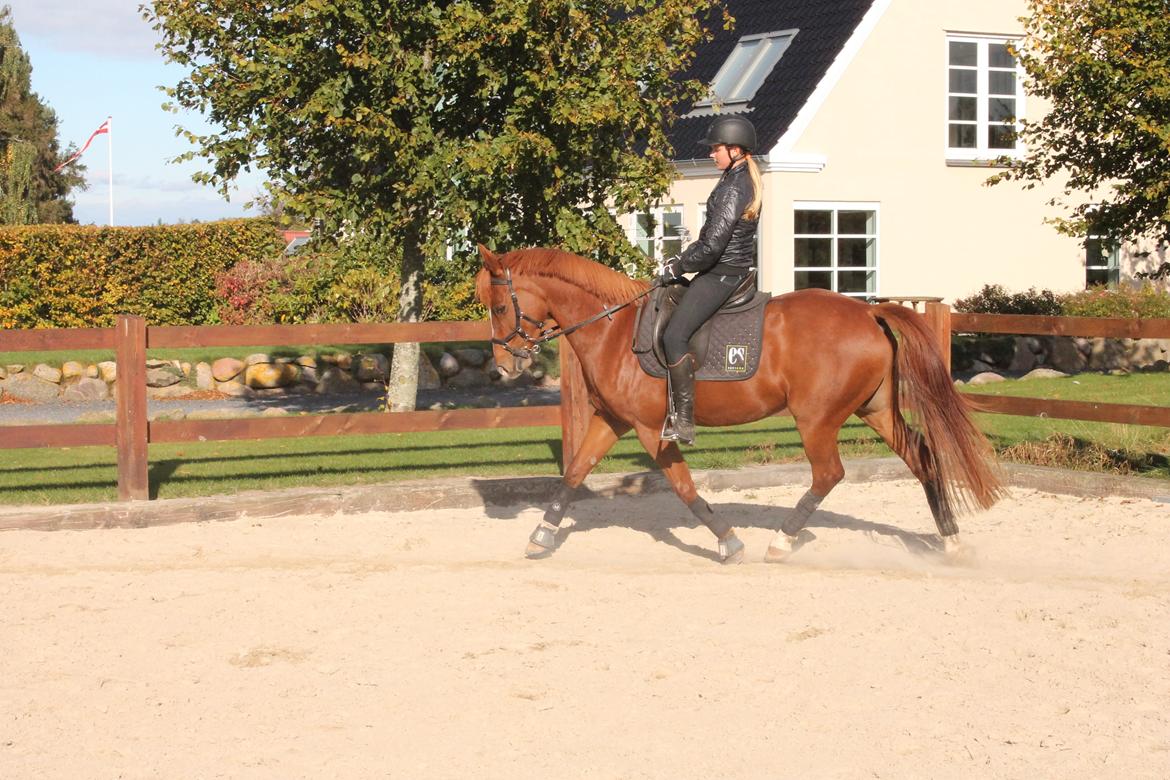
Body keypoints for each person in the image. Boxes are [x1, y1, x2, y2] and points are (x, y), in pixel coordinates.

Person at [658, 115, 762, 444]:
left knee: (674, 334)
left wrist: (679, 266)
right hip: (723, 269)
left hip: (722, 273)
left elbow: (713, 244)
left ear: (734, 149)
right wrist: (682, 259)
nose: (711, 154)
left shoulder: (735, 186)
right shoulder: (737, 177)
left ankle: (685, 419)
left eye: (716, 149)